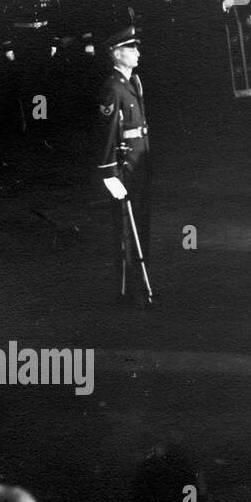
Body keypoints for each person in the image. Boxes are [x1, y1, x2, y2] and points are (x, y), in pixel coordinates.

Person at [97, 27, 153, 304]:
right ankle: (129, 289)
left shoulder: (133, 81)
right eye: (132, 49)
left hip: (139, 164)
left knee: (140, 224)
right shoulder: (113, 88)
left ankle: (139, 282)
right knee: (126, 229)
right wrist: (109, 174)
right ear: (117, 54)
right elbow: (108, 132)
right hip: (124, 167)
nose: (138, 53)